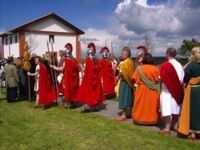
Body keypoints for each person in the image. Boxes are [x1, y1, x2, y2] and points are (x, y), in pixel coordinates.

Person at [159, 47, 184, 134]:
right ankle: (175, 125)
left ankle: (167, 128)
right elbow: (181, 79)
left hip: (166, 89)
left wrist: (160, 88)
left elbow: (160, 79)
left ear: (167, 54)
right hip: (176, 90)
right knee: (175, 108)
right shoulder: (180, 65)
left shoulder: (164, 65)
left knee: (166, 108)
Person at [76, 42, 105, 112]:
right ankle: (88, 105)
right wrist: (81, 66)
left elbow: (97, 69)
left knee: (93, 92)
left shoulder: (96, 60)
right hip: (88, 79)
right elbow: (85, 69)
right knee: (88, 93)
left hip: (94, 79)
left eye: (90, 49)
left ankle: (92, 106)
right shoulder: (87, 60)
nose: (89, 50)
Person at [178, 47, 200, 140]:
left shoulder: (191, 65)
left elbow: (185, 79)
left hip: (193, 90)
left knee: (192, 111)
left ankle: (193, 133)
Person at [132, 53, 160, 125]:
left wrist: (135, 89)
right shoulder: (156, 69)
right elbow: (159, 81)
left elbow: (134, 80)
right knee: (151, 106)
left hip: (141, 90)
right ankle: (152, 120)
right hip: (153, 91)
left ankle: (139, 119)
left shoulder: (139, 68)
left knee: (141, 106)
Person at [51, 43, 79, 108]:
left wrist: (53, 67)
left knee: (66, 90)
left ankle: (68, 103)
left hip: (67, 78)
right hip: (72, 78)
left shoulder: (66, 60)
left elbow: (62, 69)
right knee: (70, 90)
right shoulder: (74, 60)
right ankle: (71, 103)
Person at [114, 47, 135, 121]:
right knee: (129, 98)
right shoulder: (131, 61)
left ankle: (123, 115)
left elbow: (122, 72)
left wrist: (117, 77)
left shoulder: (126, 62)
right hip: (129, 83)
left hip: (125, 82)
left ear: (127, 54)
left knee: (124, 98)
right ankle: (130, 113)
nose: (121, 55)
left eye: (122, 53)